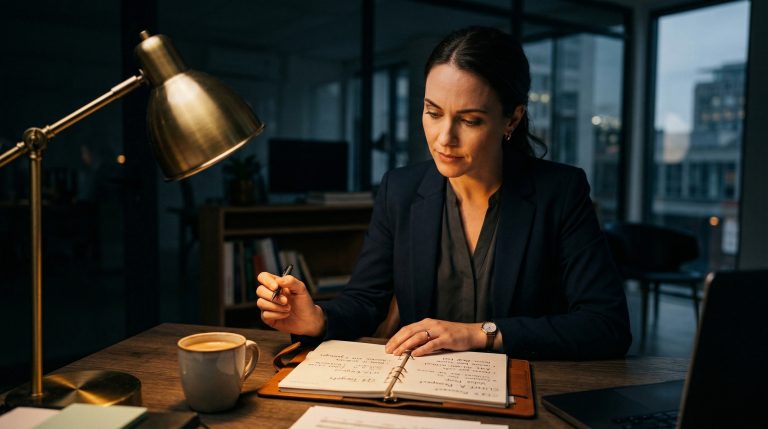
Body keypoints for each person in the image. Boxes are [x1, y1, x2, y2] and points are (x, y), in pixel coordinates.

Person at [256, 26, 631, 360]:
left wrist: (480, 334)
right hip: (422, 391)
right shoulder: (399, 191)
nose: (444, 138)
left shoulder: (560, 192)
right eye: (432, 112)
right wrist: (317, 319)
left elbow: (606, 326)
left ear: (512, 120)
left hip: (523, 394)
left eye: (470, 120)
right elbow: (364, 302)